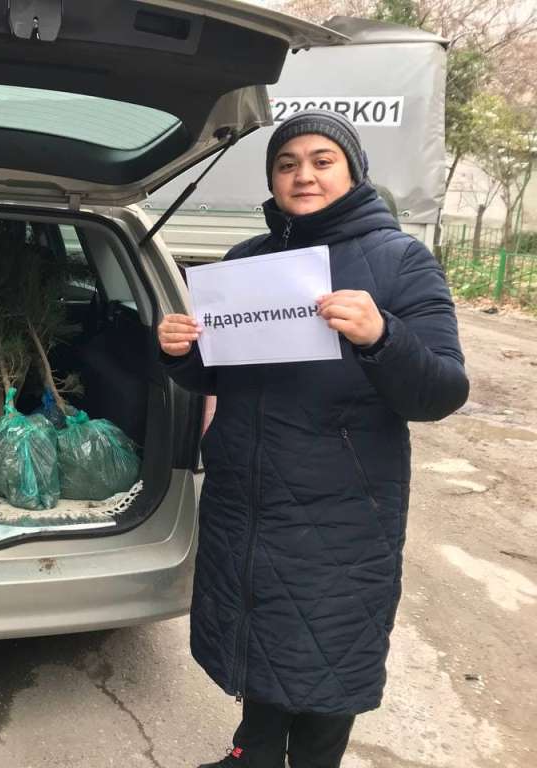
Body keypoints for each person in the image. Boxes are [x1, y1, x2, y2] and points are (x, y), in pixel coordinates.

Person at [158, 110, 469, 768]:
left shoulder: (400, 261)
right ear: (272, 179)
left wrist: (382, 336)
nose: (303, 175)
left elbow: (441, 391)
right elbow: (221, 373)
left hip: (341, 511)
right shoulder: (247, 261)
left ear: (353, 171)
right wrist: (183, 353)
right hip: (246, 501)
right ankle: (252, 756)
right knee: (256, 635)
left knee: (327, 655)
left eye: (322, 161)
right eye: (287, 163)